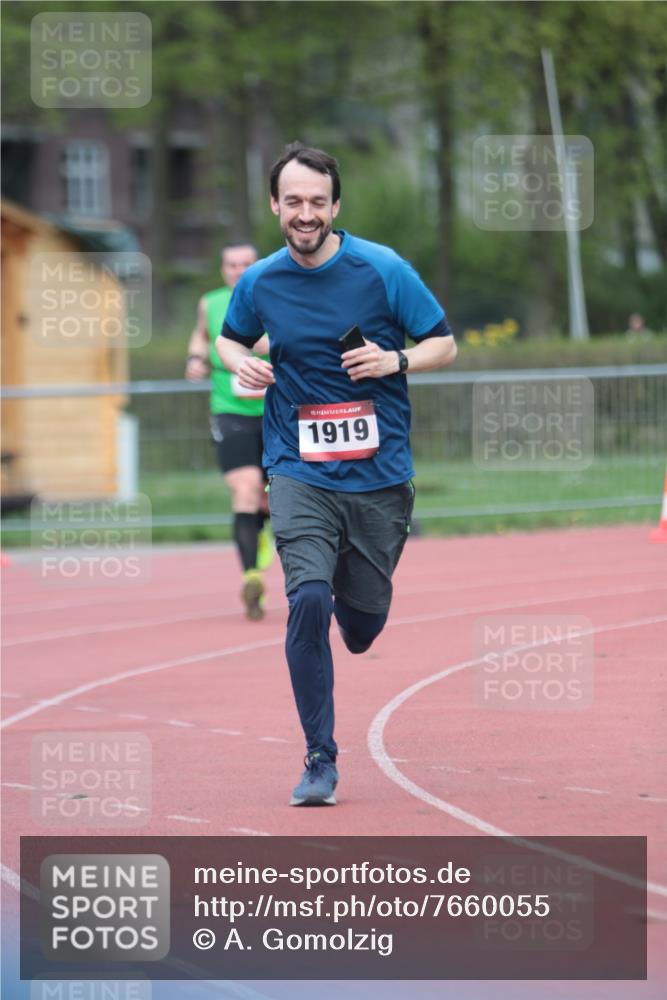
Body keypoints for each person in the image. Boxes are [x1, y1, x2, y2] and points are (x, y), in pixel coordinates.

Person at [216, 142, 457, 805]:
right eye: (292, 201)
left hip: (379, 476)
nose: (305, 213)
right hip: (297, 468)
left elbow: (444, 341)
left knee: (360, 628)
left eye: (316, 202)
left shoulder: (381, 270)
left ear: (334, 206)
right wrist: (240, 361)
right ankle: (319, 758)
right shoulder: (260, 280)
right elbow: (229, 336)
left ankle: (361, 614)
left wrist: (395, 363)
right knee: (307, 601)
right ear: (274, 206)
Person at [185, 244, 273, 620]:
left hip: (278, 412)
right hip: (230, 410)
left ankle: (262, 531)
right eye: (232, 265)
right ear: (223, 270)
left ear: (258, 268)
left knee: (273, 496)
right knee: (245, 488)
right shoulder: (211, 302)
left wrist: (237, 346)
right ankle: (251, 577)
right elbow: (202, 337)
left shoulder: (277, 296)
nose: (238, 271)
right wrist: (195, 358)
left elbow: (287, 341)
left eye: (246, 265)